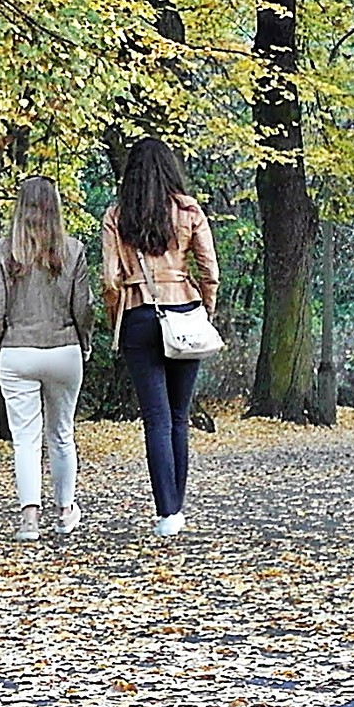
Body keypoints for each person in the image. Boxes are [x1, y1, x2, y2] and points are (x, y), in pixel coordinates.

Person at [101, 137, 221, 538]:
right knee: (179, 417)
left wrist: (115, 318)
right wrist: (205, 308)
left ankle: (167, 512)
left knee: (155, 418)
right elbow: (210, 271)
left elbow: (110, 280)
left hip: (139, 313)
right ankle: (176, 507)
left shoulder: (118, 216)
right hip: (184, 312)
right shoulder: (189, 211)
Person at [0, 176, 94, 540]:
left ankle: (29, 520)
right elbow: (85, 306)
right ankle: (64, 511)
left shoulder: (2, 252)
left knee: (25, 439)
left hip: (17, 349)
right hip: (64, 349)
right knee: (62, 434)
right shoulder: (73, 251)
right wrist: (85, 342)